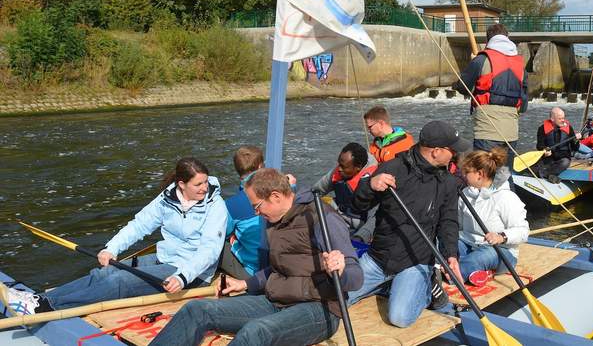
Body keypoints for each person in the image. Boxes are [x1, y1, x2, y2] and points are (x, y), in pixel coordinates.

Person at [150, 168, 364, 346]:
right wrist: (245, 284)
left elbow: (356, 278)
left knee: (256, 332)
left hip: (319, 309)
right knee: (197, 310)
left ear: (276, 196)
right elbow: (280, 268)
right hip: (278, 299)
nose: (256, 214)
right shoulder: (275, 219)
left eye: (257, 207)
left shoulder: (322, 219)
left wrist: (341, 269)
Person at [5, 158, 228, 315]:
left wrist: (182, 277)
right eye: (198, 184)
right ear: (181, 184)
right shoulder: (167, 198)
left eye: (206, 182)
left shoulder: (215, 206)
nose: (204, 188)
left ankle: (46, 307)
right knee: (106, 272)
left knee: (120, 281)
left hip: (190, 272)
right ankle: (38, 299)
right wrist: (111, 248)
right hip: (165, 258)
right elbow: (139, 225)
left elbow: (209, 250)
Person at [347, 120, 469, 327]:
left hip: (416, 261)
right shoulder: (392, 168)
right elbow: (359, 206)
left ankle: (427, 284)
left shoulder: (448, 182)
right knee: (336, 299)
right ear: (436, 152)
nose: (456, 155)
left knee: (400, 318)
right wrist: (369, 185)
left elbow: (448, 221)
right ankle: (388, 286)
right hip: (379, 259)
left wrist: (451, 255)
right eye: (453, 150)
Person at [454, 23, 527, 167]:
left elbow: (462, 87)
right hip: (511, 133)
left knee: (484, 176)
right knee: (505, 176)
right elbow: (523, 106)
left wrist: (473, 63)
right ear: (507, 38)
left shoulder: (481, 60)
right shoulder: (520, 65)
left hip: (487, 131)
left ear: (488, 41)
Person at [457, 148, 529, 287]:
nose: (463, 175)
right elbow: (458, 226)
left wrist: (501, 236)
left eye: (467, 172)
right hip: (469, 243)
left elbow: (523, 231)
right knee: (442, 246)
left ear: (480, 174)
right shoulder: (464, 194)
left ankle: (455, 272)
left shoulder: (506, 197)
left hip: (500, 250)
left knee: (477, 259)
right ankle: (468, 271)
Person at [313, 142, 378, 243]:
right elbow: (316, 191)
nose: (339, 169)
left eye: (343, 167)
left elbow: (374, 219)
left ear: (358, 167)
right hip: (338, 216)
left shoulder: (373, 184)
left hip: (359, 227)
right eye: (339, 164)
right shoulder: (338, 171)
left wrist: (360, 238)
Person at [221, 146, 266, 280]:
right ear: (260, 166)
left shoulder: (231, 204)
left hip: (253, 272)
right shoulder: (278, 193)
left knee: (218, 244)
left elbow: (224, 233)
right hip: (275, 266)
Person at [534, 107, 581, 183]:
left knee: (565, 162)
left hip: (562, 158)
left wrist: (576, 139)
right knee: (537, 164)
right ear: (552, 119)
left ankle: (544, 174)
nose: (563, 120)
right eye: (560, 118)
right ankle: (549, 175)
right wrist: (544, 149)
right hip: (548, 157)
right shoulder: (542, 129)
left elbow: (575, 148)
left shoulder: (569, 128)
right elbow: (539, 145)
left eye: (563, 118)